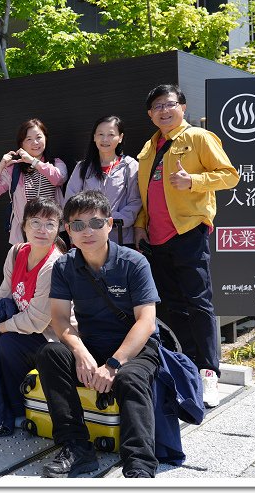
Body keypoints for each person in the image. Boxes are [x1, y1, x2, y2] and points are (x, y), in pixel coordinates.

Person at [37, 190, 161, 478]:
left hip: (135, 348)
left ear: (109, 224)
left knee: (129, 378)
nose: (87, 231)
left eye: (95, 223)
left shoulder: (134, 263)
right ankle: (76, 447)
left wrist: (114, 364)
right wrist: (80, 352)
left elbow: (145, 322)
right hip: (92, 344)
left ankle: (139, 464)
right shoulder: (65, 266)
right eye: (78, 225)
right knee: (50, 354)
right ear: (68, 231)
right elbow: (58, 319)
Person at [133, 84, 240, 408]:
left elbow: (230, 175)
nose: (164, 111)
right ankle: (188, 364)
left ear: (182, 106)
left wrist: (193, 181)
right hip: (156, 237)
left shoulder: (198, 138)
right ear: (150, 114)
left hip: (189, 231)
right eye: (157, 107)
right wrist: (140, 226)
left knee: (199, 302)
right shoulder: (149, 148)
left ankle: (209, 372)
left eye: (169, 104)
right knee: (171, 304)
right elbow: (146, 196)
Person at [0, 197, 69, 435]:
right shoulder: (16, 252)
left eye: (50, 224)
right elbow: (4, 296)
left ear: (58, 228)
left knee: (7, 343)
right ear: (23, 226)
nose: (42, 230)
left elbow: (36, 321)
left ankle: (16, 409)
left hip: (53, 338)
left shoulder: (54, 265)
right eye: (35, 222)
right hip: (24, 328)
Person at [0, 119, 68, 244]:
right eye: (28, 139)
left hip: (53, 230)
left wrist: (34, 162)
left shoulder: (56, 163)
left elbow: (59, 178)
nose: (35, 142)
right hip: (25, 234)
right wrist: (0, 167)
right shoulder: (14, 169)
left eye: (39, 137)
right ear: (21, 144)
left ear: (45, 138)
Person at [64, 115, 142, 246]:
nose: (105, 139)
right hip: (87, 237)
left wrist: (109, 221)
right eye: (100, 134)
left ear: (120, 138)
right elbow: (70, 202)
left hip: (120, 238)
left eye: (111, 134)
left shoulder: (130, 165)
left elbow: (135, 201)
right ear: (94, 137)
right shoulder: (82, 167)